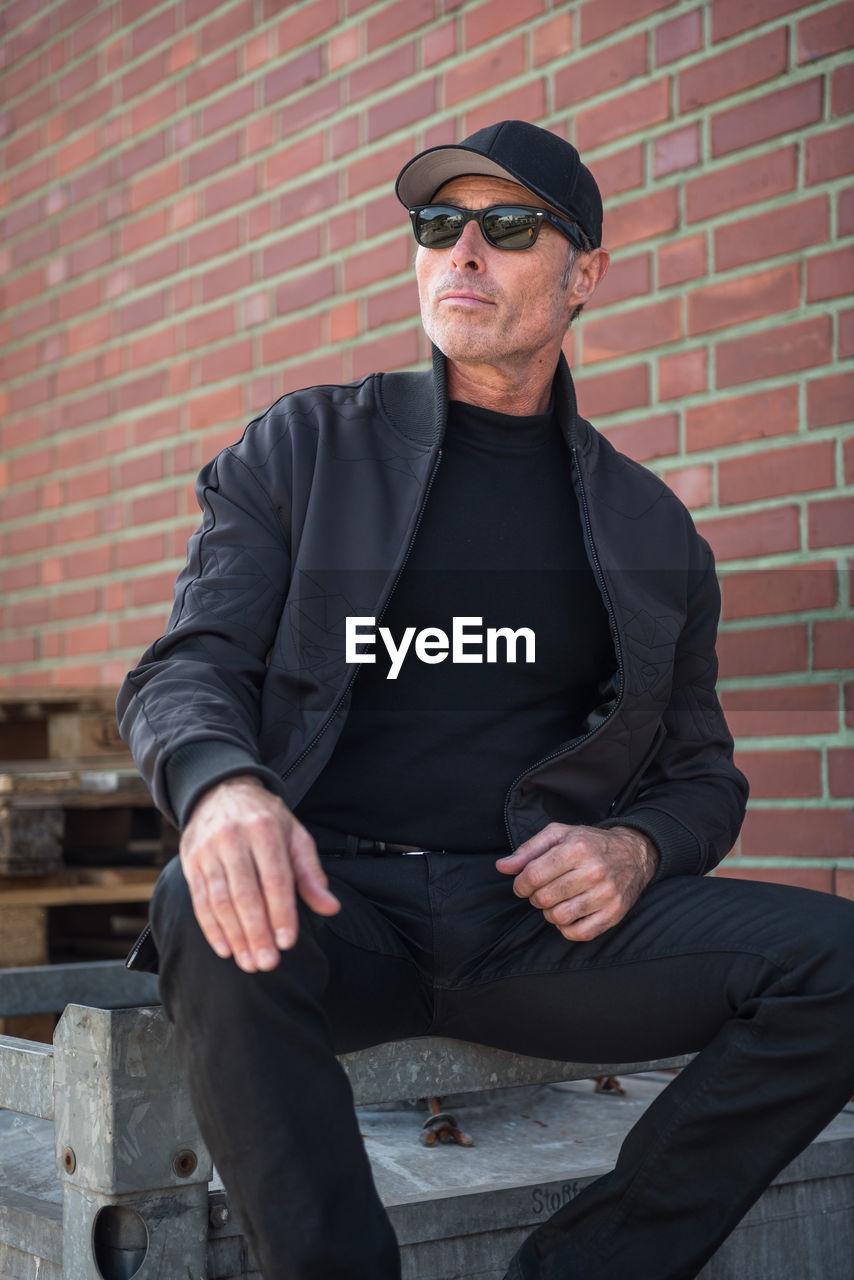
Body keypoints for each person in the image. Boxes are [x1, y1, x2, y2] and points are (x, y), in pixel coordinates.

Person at [118, 120, 854, 1280]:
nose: (461, 251)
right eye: (436, 224)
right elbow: (185, 665)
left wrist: (633, 846)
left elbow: (702, 775)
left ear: (584, 276)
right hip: (328, 901)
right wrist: (223, 792)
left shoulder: (651, 529)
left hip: (529, 926)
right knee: (204, 909)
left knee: (840, 960)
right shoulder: (304, 448)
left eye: (506, 228)